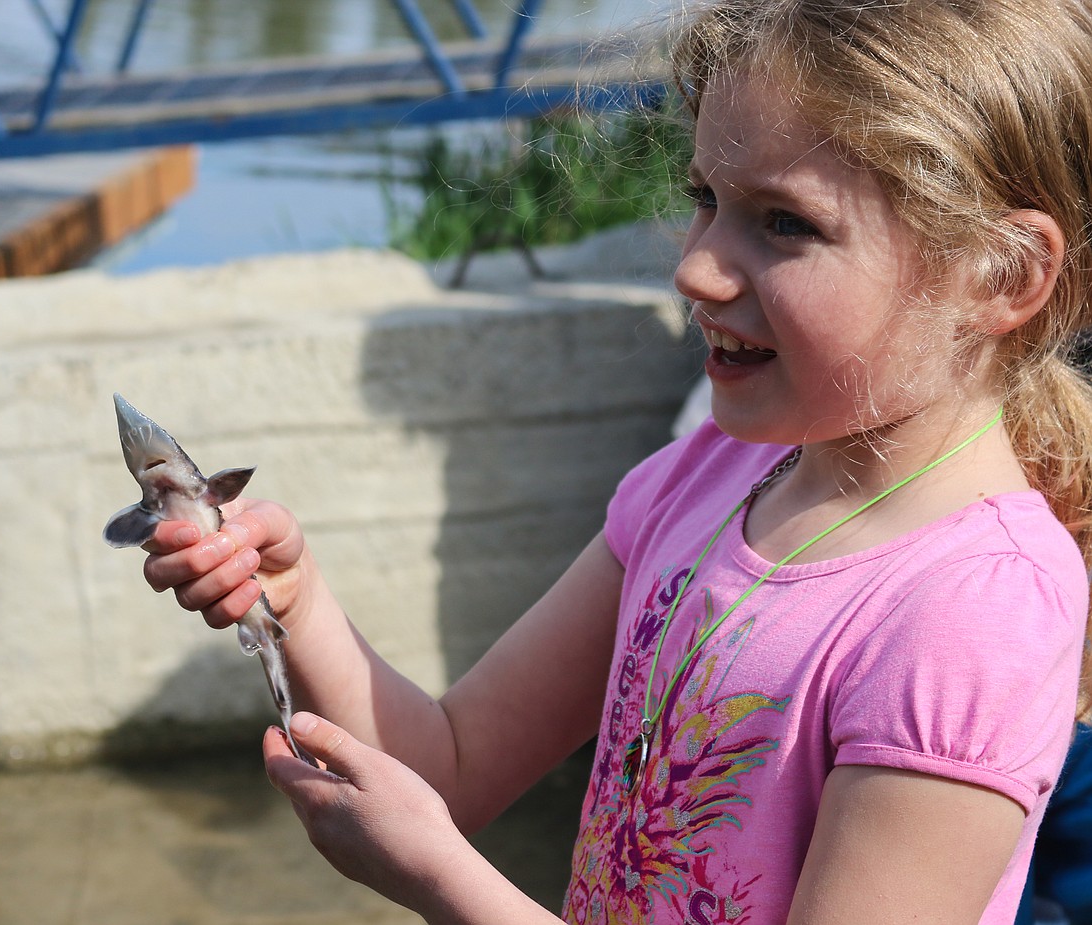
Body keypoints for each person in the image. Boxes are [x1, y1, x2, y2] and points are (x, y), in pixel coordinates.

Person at [138, 0, 1092, 921]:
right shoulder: (706, 477)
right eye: (706, 200)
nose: (696, 267)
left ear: (999, 275)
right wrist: (296, 601)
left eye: (785, 223)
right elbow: (450, 762)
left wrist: (441, 879)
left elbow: (440, 834)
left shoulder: (975, 607)